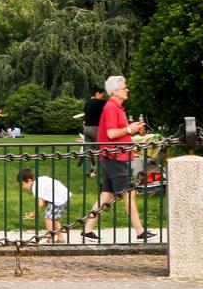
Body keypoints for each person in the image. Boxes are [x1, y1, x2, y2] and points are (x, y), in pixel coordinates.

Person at [81, 76, 154, 242]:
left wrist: (131, 130)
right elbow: (111, 133)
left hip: (114, 156)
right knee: (129, 193)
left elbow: (116, 132)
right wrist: (130, 129)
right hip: (115, 157)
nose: (127, 90)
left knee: (107, 194)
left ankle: (87, 229)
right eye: (124, 88)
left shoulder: (116, 107)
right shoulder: (112, 108)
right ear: (115, 91)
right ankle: (140, 231)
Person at [18, 167, 70, 243]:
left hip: (59, 198)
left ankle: (50, 237)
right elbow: (47, 191)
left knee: (47, 218)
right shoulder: (40, 180)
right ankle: (61, 238)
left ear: (29, 181)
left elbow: (40, 203)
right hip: (63, 195)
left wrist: (33, 213)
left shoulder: (35, 187)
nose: (23, 187)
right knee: (54, 219)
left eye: (23, 184)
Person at [82, 88, 107, 176]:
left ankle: (87, 171)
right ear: (97, 93)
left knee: (88, 151)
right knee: (100, 150)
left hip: (87, 128)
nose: (102, 97)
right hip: (96, 128)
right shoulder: (100, 102)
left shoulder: (87, 103)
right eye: (102, 95)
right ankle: (98, 171)